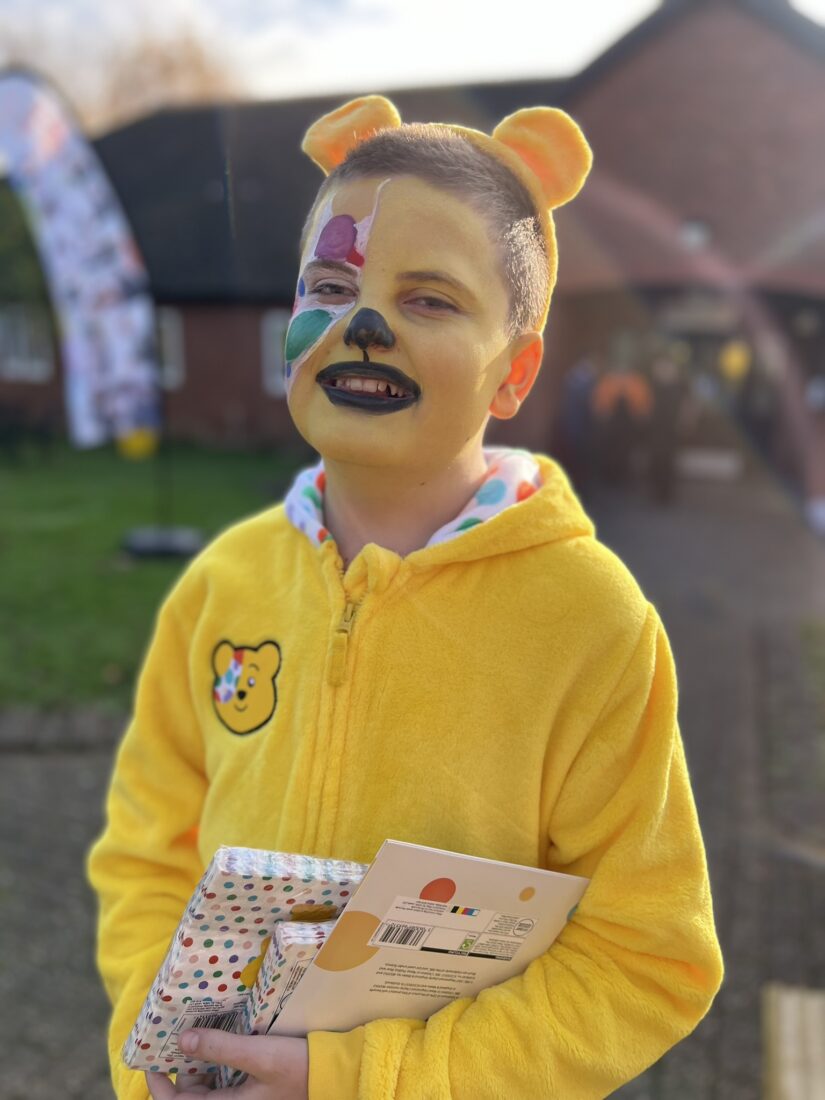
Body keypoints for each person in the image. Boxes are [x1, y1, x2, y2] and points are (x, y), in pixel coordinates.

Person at [88, 95, 723, 1100]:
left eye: (428, 298)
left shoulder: (592, 625)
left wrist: (366, 1078)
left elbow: (648, 956)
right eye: (330, 283)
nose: (363, 323)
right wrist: (152, 1043)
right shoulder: (221, 585)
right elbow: (145, 853)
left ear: (514, 371)